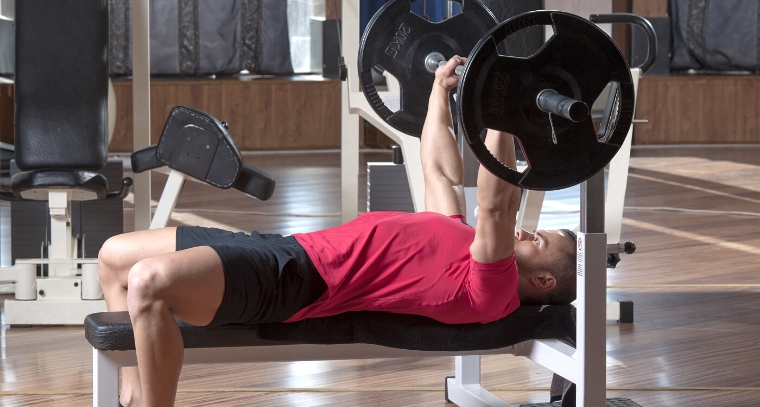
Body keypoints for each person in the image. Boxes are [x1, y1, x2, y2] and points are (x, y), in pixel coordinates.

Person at [98, 56, 577, 407]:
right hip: (285, 249)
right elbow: (437, 168)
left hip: (297, 283)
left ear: (544, 282)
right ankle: (136, 397)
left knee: (148, 284)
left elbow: (496, 202)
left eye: (541, 241)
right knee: (115, 258)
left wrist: (504, 112)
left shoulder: (489, 289)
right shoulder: (456, 236)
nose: (529, 232)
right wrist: (439, 92)